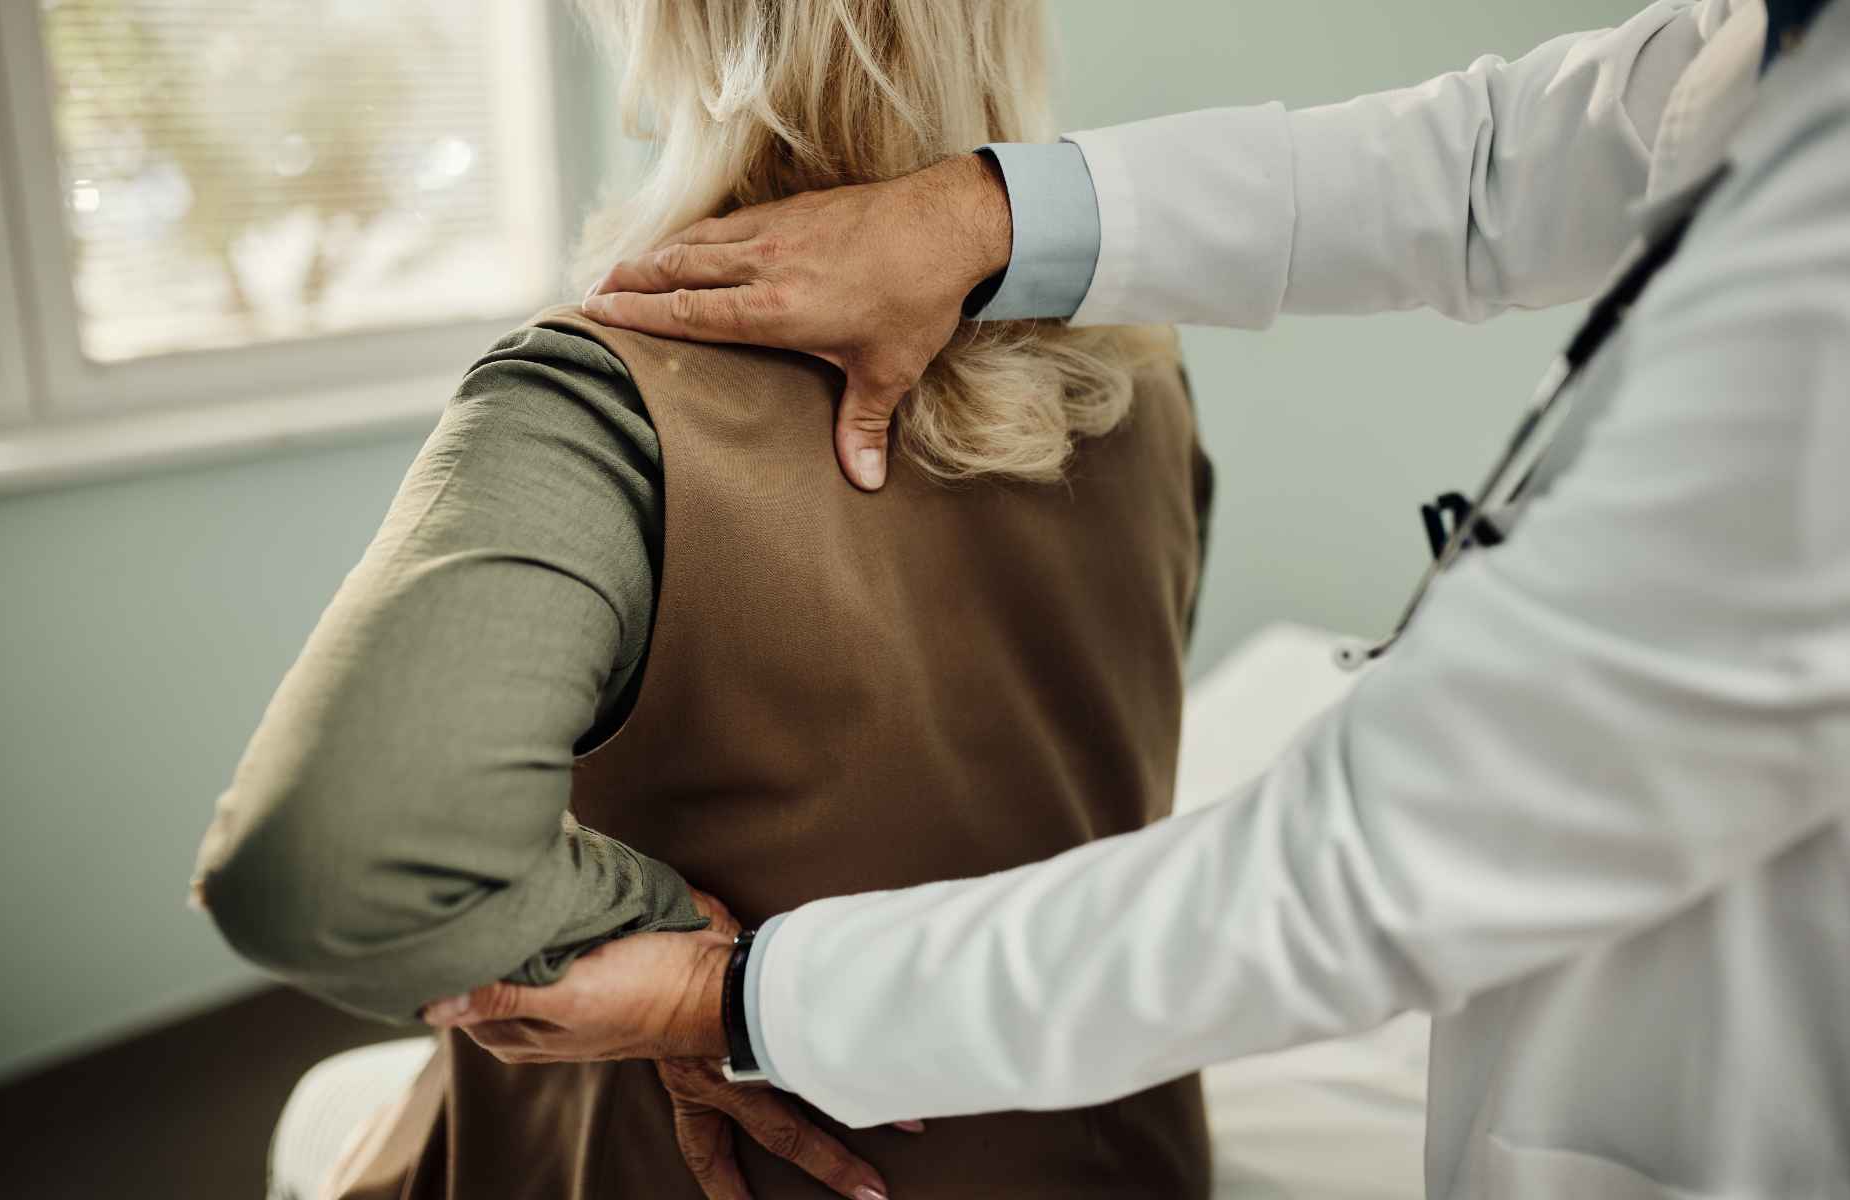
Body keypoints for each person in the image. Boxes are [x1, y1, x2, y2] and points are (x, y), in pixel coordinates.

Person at [419, 0, 1850, 1195]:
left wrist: (730, 999)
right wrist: (992, 206)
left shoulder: (587, 390)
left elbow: (1344, 880)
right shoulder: (1138, 381)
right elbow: (1505, 156)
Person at [193, 1, 1219, 1197]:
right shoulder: (1143, 365)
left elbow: (338, 867)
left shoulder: (596, 400)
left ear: (660, 41)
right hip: (1115, 1144)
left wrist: (694, 967)